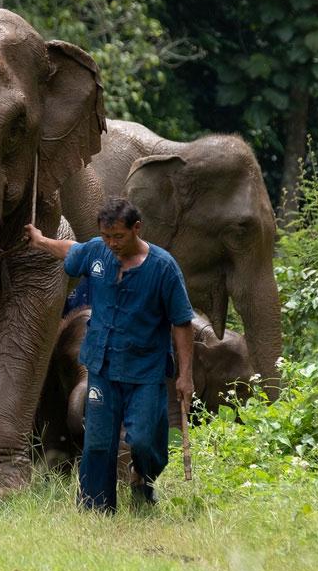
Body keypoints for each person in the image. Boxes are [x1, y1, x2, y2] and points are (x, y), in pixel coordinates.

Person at [24, 197, 195, 512]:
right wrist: (40, 241)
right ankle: (95, 508)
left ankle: (143, 478)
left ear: (137, 228)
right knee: (99, 443)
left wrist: (186, 375)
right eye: (107, 236)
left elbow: (183, 322)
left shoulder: (163, 267)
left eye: (119, 236)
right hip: (102, 368)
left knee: (144, 441)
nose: (112, 243)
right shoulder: (98, 252)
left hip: (145, 372)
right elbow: (71, 250)